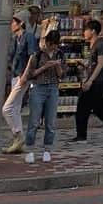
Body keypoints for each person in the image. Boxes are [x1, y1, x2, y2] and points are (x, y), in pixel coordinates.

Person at [21, 28, 65, 164]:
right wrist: (45, 66)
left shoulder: (60, 55)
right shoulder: (37, 55)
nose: (51, 47)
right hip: (38, 87)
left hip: (53, 88)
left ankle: (47, 149)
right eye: (49, 44)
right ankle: (30, 149)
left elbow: (62, 75)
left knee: (50, 122)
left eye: (54, 44)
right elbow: (30, 74)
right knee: (34, 121)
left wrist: (57, 66)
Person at [2, 13, 38, 154]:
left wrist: (26, 74)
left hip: (23, 75)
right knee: (15, 108)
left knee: (7, 108)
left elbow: (32, 55)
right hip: (15, 74)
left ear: (20, 23)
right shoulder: (15, 39)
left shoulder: (28, 36)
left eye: (13, 22)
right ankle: (18, 142)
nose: (11, 25)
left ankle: (18, 135)